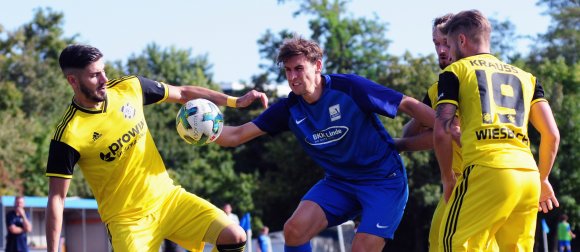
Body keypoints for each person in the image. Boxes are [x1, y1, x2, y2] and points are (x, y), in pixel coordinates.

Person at [216, 36, 436, 251]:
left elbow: (406, 104)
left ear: (317, 66)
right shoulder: (288, 109)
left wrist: (446, 125)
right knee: (294, 230)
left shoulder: (349, 87)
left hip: (383, 181)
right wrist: (201, 130)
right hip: (340, 183)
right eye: (288, 70)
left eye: (299, 68)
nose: (293, 76)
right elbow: (236, 135)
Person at [45, 44, 268, 252]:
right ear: (73, 81)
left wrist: (235, 101)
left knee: (234, 235)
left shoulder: (129, 88)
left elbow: (183, 93)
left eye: (104, 71)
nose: (104, 79)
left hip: (169, 200)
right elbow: (57, 199)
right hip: (127, 222)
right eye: (95, 75)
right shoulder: (68, 134)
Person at [433, 10, 560, 251]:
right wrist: (542, 178)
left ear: (461, 40)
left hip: (487, 169)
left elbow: (441, 130)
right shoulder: (527, 78)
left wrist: (448, 179)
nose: (448, 52)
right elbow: (552, 134)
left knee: (453, 244)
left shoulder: (455, 72)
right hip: (527, 176)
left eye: (448, 45)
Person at [397, 13, 461, 252]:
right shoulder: (437, 89)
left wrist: (398, 144)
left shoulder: (469, 79)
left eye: (446, 43)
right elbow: (414, 130)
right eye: (436, 44)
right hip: (456, 182)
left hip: (476, 178)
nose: (441, 50)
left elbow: (447, 131)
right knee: (437, 241)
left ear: (461, 40)